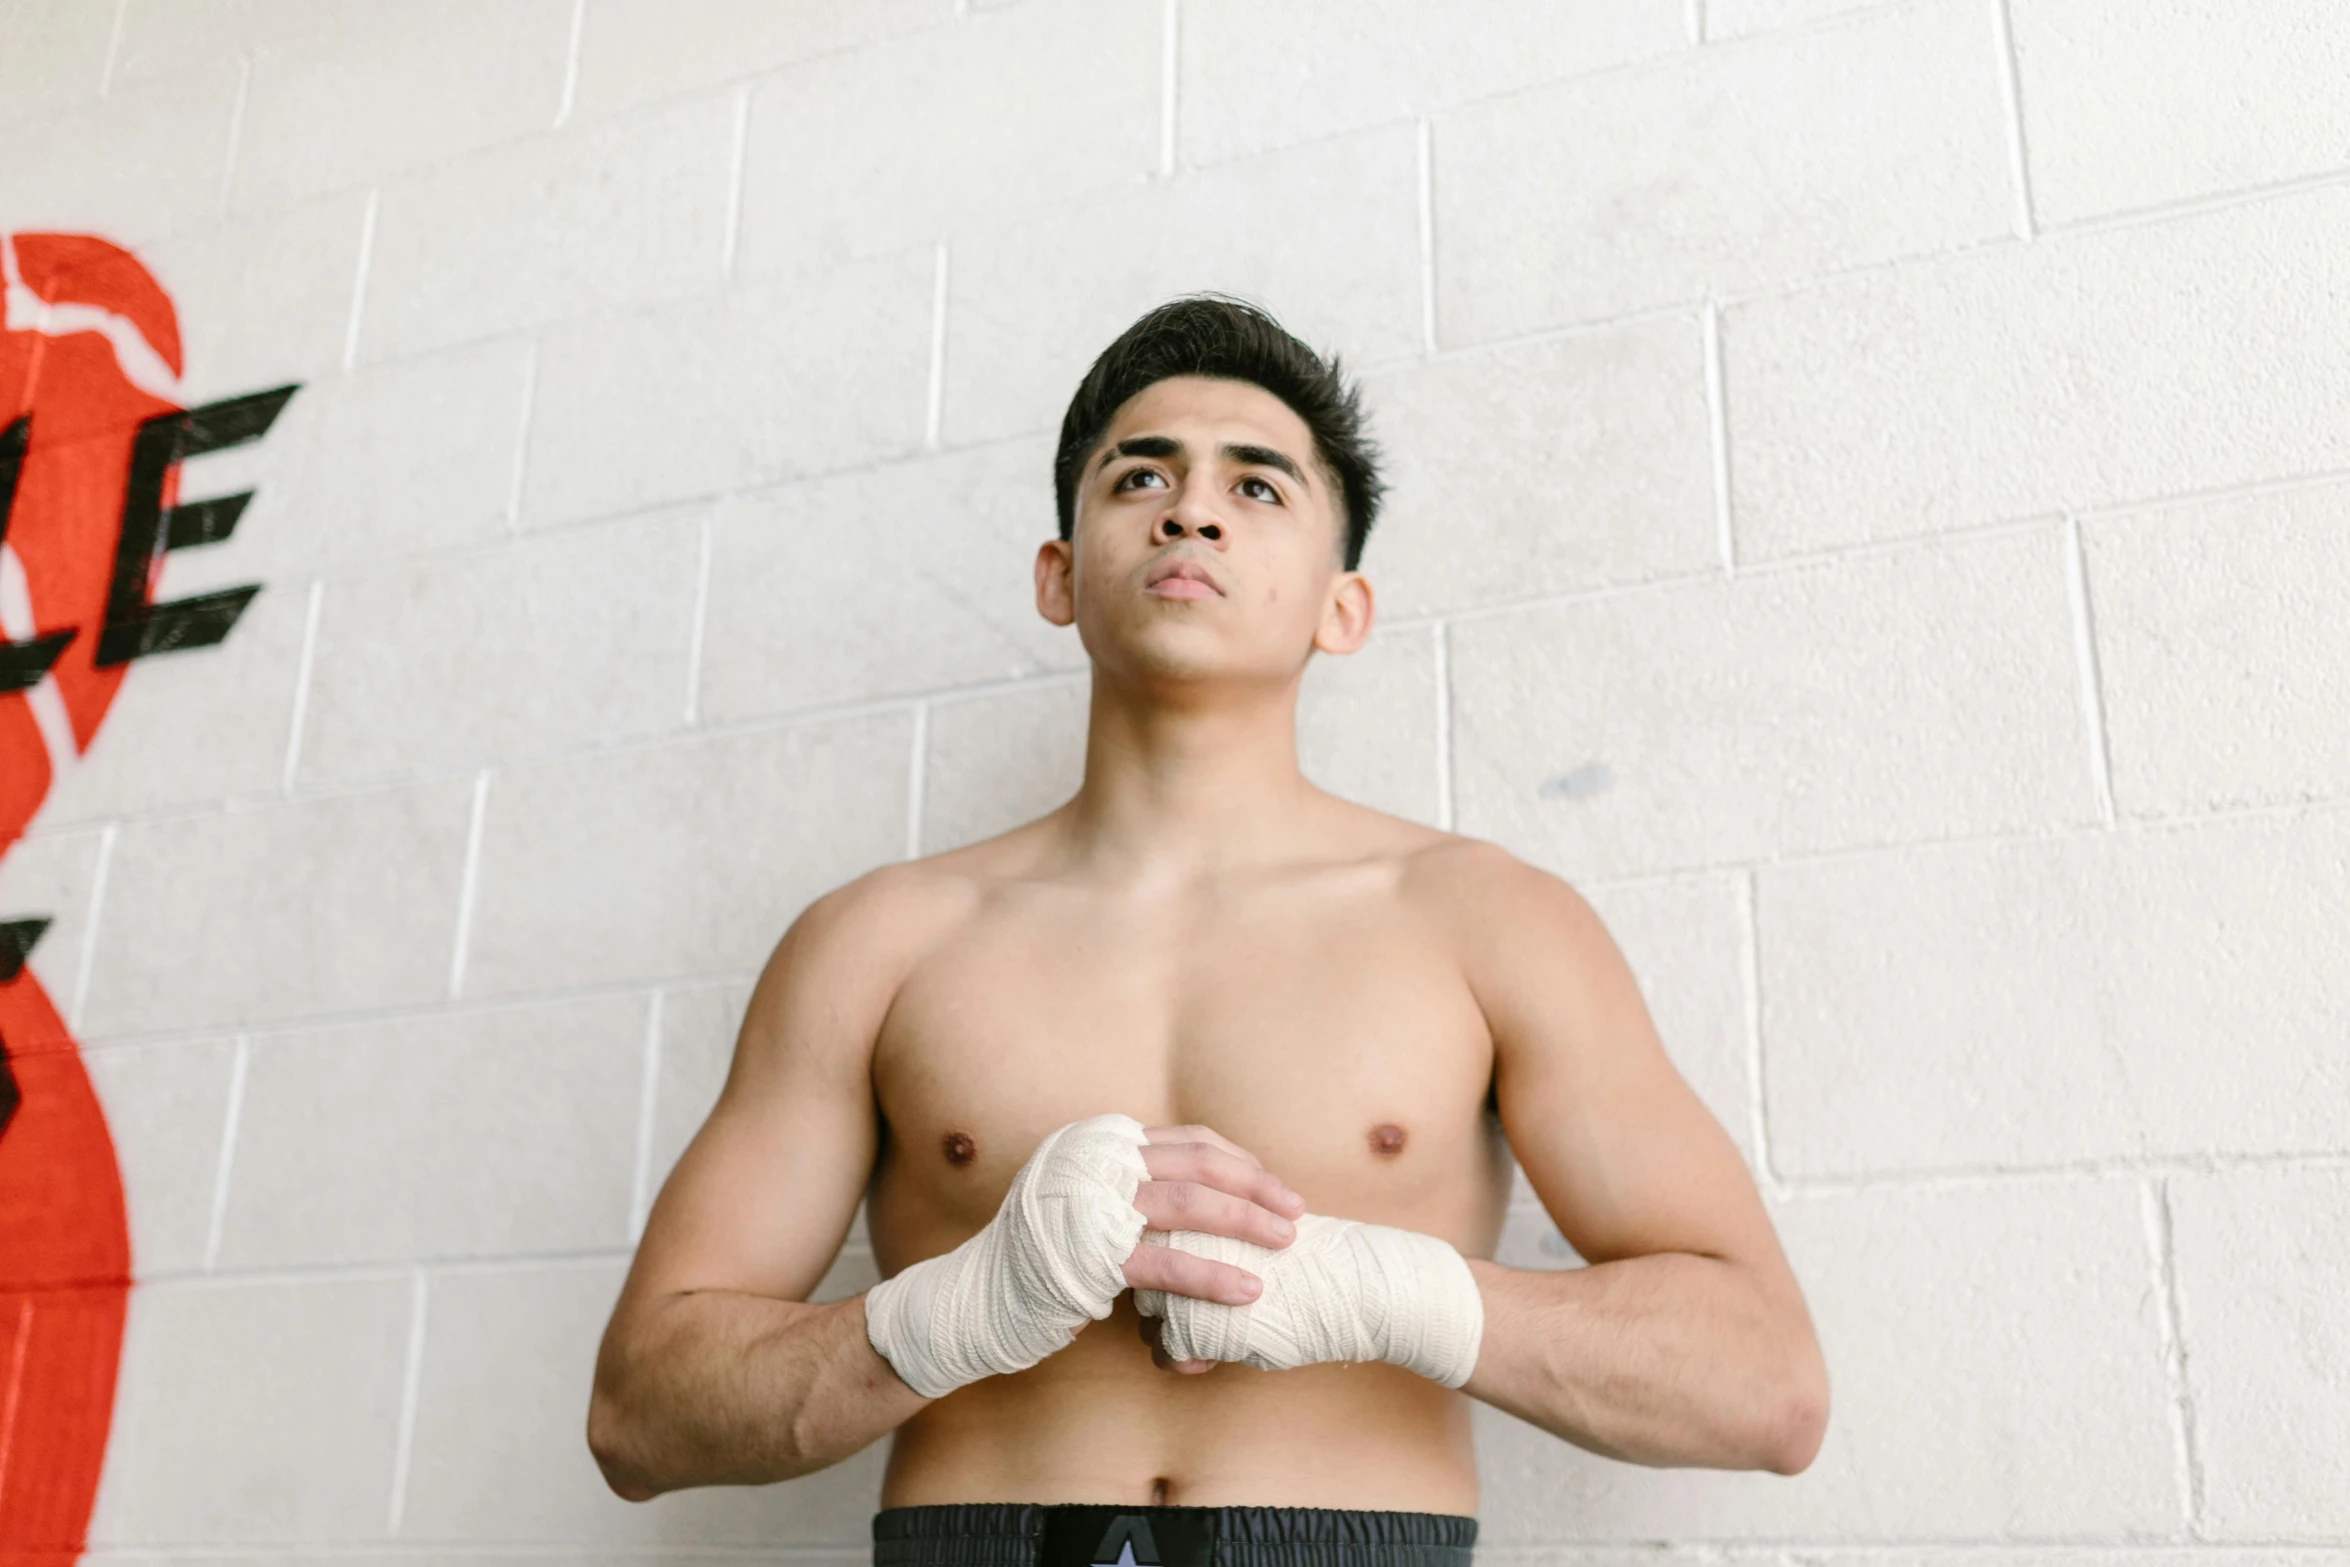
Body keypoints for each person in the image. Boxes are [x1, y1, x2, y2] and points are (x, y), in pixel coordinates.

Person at [586, 295, 1829, 1567]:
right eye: (1141, 475)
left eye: (1259, 485)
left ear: (1339, 608)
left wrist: (1387, 1293)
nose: (1190, 509)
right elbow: (638, 1415)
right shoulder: (877, 941)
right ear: (1057, 576)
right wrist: (962, 1307)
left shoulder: (1487, 921)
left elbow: (1767, 1386)